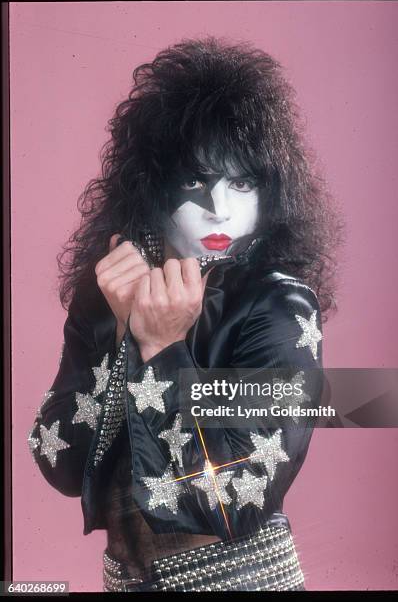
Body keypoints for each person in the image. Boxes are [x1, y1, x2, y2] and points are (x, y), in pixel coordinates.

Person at [28, 37, 341, 591]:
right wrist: (123, 333)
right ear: (150, 186)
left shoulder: (276, 305)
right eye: (195, 180)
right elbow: (61, 466)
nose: (218, 207)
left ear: (272, 194)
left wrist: (162, 348)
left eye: (242, 182)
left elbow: (232, 498)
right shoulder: (107, 292)